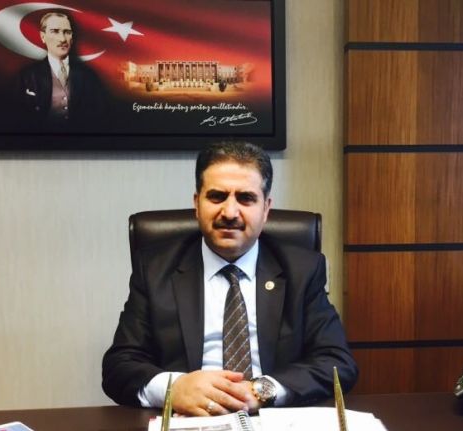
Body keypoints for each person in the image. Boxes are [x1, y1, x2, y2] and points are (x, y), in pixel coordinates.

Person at [102, 141, 357, 416]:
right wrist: (174, 388)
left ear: (266, 209)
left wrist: (262, 390)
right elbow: (119, 366)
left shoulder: (302, 269)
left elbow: (337, 362)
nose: (230, 212)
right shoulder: (155, 269)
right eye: (217, 197)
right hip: (189, 419)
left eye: (246, 198)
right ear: (197, 204)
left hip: (271, 418)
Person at [15, 11, 107, 131]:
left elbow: (98, 116)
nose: (62, 39)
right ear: (43, 36)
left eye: (67, 32)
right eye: (55, 31)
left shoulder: (88, 76)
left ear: (72, 38)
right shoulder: (27, 76)